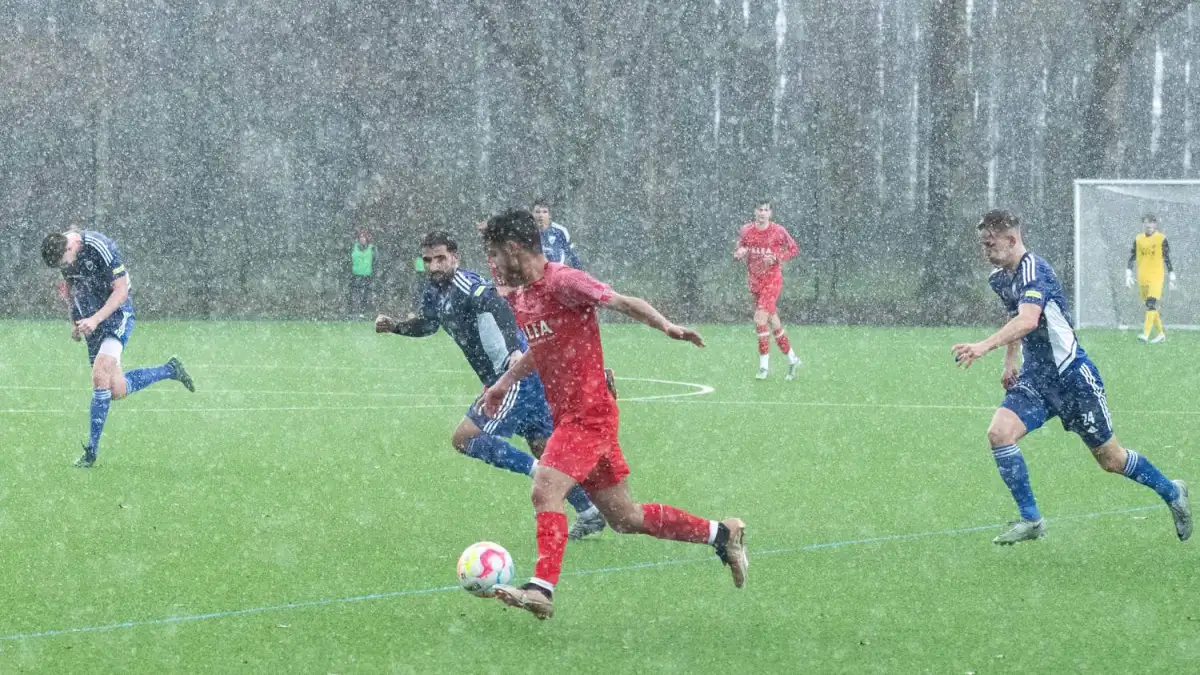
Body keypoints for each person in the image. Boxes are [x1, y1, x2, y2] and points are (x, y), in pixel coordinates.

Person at [479, 209, 747, 620]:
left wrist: (667, 326)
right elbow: (544, 347)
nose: (493, 264)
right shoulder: (523, 296)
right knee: (626, 518)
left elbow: (622, 302)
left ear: (515, 249)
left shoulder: (563, 280)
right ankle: (722, 533)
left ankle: (541, 589)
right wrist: (502, 384)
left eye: (495, 254)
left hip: (590, 416)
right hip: (573, 417)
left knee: (545, 489)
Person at [952, 210, 1191, 545]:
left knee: (1111, 459)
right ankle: (1032, 519)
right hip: (1037, 379)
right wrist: (1010, 361)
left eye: (991, 243)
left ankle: (1172, 492)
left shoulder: (1034, 269)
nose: (986, 250)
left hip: (1073, 379)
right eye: (982, 244)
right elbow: (1014, 314)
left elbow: (1029, 319)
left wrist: (984, 346)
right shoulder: (1000, 277)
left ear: (1011, 239)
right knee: (999, 433)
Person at [375, 230, 606, 540]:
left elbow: (496, 302)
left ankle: (539, 473)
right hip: (525, 378)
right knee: (543, 446)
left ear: (455, 257)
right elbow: (428, 324)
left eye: (441, 258)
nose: (434, 266)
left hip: (511, 377)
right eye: (428, 260)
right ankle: (589, 511)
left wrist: (512, 350)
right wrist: (396, 327)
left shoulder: (466, 285)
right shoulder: (434, 291)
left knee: (464, 438)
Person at [41, 229, 195, 467]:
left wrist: (96, 319)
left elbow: (121, 291)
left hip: (115, 315)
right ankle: (170, 370)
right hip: (92, 321)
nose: (65, 266)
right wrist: (75, 321)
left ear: (69, 248)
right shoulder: (63, 254)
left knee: (99, 374)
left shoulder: (99, 246)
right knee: (116, 390)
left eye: (63, 261)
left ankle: (91, 451)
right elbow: (72, 290)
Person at [734, 200, 801, 380]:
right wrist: (739, 253)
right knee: (774, 323)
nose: (762, 213)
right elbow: (740, 247)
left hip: (772, 281)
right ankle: (793, 359)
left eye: (766, 210)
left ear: (770, 213)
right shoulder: (746, 230)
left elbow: (794, 249)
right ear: (754, 211)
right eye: (759, 209)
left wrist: (777, 258)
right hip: (755, 283)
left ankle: (764, 367)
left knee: (759, 319)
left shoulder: (778, 231)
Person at [1125, 214, 1177, 343]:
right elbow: (1132, 257)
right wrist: (1128, 274)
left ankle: (1146, 334)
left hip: (1156, 276)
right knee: (1150, 307)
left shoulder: (1161, 239)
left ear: (1155, 225)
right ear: (1143, 225)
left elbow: (1167, 258)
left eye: (1151, 223)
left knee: (1151, 303)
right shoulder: (1138, 239)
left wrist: (1171, 275)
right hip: (1142, 277)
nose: (1149, 226)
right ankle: (1160, 334)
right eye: (1146, 224)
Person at [532, 199, 581, 269]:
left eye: (544, 212)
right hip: (536, 275)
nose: (540, 215)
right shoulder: (528, 232)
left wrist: (578, 274)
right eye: (537, 212)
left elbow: (573, 256)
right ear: (532, 214)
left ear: (550, 215)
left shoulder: (560, 231)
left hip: (557, 274)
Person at [349, 229, 376, 319]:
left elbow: (376, 261)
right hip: (356, 275)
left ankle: (362, 312)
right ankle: (354, 312)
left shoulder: (372, 248)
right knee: (355, 294)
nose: (362, 239)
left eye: (363, 237)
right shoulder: (353, 247)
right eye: (360, 237)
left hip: (367, 275)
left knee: (365, 295)